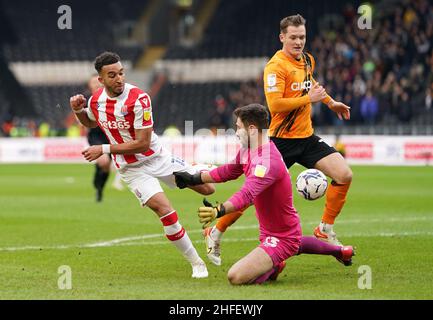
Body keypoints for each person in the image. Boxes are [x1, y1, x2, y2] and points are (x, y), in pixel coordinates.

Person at [199, 14, 353, 265]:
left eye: (302, 37)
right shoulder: (275, 67)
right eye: (293, 37)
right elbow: (275, 104)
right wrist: (309, 100)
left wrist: (330, 102)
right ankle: (215, 231)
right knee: (252, 196)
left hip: (306, 137)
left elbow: (310, 83)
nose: (298, 42)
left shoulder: (306, 60)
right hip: (279, 143)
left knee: (344, 175)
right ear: (282, 37)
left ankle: (325, 228)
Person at [69, 51, 214, 278]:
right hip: (131, 169)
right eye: (112, 75)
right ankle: (197, 263)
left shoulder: (139, 98)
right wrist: (78, 110)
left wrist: (103, 149)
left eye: (121, 73)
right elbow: (91, 122)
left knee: (208, 189)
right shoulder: (96, 100)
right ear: (101, 80)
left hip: (157, 158)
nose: (119, 79)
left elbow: (142, 143)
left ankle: (195, 166)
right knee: (165, 211)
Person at [174, 104, 354, 285]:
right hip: (276, 233)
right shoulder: (248, 149)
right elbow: (228, 171)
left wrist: (219, 210)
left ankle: (274, 265)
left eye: (238, 127)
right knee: (295, 243)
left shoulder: (267, 162)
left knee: (235, 277)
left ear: (251, 129)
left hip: (281, 238)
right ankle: (340, 251)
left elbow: (247, 194)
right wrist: (193, 178)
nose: (235, 132)